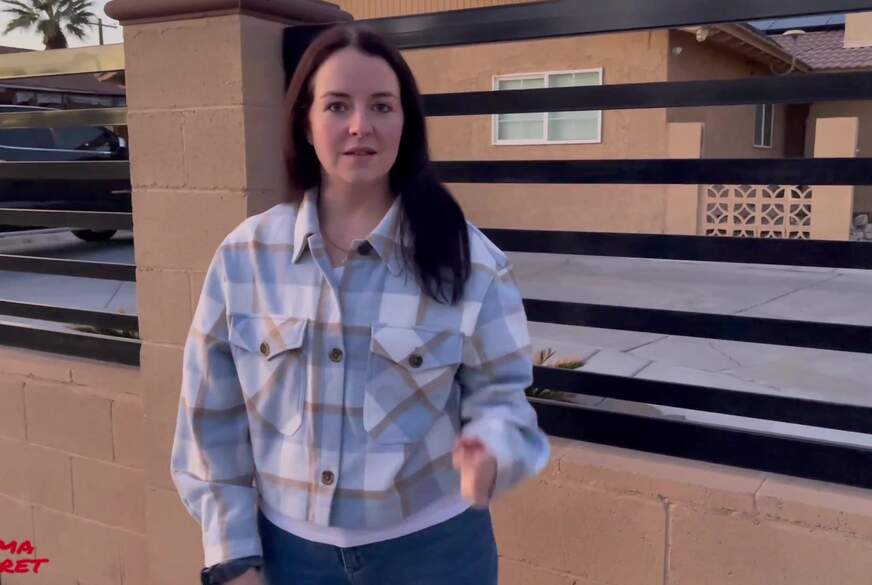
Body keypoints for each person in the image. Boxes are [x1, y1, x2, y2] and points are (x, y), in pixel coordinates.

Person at [171, 23, 550, 585]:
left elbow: (503, 397)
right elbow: (210, 421)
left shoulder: (469, 260)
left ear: (405, 122)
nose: (359, 126)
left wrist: (491, 450)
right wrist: (232, 557)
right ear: (304, 122)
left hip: (436, 556)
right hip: (288, 559)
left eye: (381, 106)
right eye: (337, 105)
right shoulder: (244, 257)